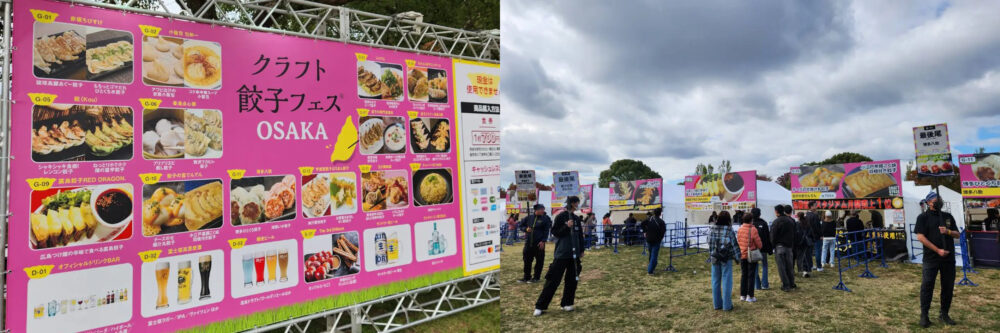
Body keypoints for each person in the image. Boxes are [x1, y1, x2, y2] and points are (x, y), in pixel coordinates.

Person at [534, 196, 585, 316]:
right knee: (552, 280)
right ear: (572, 203)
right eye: (577, 202)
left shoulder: (577, 218)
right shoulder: (561, 216)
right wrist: (566, 226)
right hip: (562, 253)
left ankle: (567, 303)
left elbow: (580, 236)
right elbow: (555, 232)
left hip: (574, 255)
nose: (578, 204)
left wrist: (581, 250)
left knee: (572, 280)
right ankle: (540, 306)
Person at [914, 191, 959, 327]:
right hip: (931, 258)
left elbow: (957, 234)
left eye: (940, 199)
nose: (939, 201)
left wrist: (948, 231)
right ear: (928, 202)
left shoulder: (948, 216)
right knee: (927, 285)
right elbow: (920, 237)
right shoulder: (923, 217)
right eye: (935, 199)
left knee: (948, 286)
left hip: (948, 258)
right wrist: (937, 250)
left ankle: (944, 313)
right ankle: (924, 315)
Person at [708, 211, 739, 311]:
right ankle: (727, 305)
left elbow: (709, 241)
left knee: (715, 281)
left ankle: (717, 305)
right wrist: (737, 258)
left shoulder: (712, 228)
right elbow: (734, 245)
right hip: (726, 258)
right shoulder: (729, 230)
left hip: (715, 257)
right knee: (726, 281)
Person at [518, 205, 552, 283]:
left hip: (539, 244)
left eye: (543, 209)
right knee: (527, 261)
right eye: (541, 209)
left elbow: (546, 231)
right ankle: (526, 277)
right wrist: (526, 229)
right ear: (536, 210)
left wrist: (543, 241)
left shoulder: (545, 219)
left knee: (539, 261)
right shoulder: (529, 218)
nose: (543, 211)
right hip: (528, 243)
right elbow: (521, 225)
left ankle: (536, 277)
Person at [771, 205, 797, 291]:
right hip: (789, 247)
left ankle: (786, 285)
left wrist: (772, 245)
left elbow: (773, 236)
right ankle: (792, 283)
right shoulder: (791, 221)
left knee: (781, 267)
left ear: (776, 212)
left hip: (779, 247)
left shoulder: (776, 222)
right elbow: (795, 233)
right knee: (789, 266)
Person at [737, 214, 762, 303]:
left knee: (744, 274)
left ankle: (742, 295)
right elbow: (758, 243)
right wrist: (759, 246)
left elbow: (738, 241)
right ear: (751, 220)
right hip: (751, 255)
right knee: (751, 275)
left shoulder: (740, 229)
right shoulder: (753, 229)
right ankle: (750, 296)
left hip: (742, 254)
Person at [750, 208, 772, 290]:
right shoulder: (763, 223)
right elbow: (767, 237)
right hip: (763, 248)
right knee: (764, 265)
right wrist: (769, 249)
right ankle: (765, 284)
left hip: (753, 248)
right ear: (760, 214)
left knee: (755, 266)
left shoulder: (750, 224)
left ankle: (757, 285)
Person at [642, 208, 667, 275]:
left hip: (649, 239)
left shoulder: (649, 219)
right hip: (656, 240)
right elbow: (663, 231)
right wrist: (660, 239)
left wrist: (644, 231)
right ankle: (650, 270)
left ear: (653, 213)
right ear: (660, 214)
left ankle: (651, 266)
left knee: (651, 253)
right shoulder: (661, 222)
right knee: (654, 255)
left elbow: (642, 224)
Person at [795, 212, 814, 277]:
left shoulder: (797, 224)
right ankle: (808, 269)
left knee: (802, 257)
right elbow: (811, 233)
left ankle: (804, 270)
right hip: (808, 242)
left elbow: (797, 234)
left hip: (800, 242)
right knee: (808, 256)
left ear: (798, 217)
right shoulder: (807, 223)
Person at [808, 207, 823, 272]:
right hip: (816, 236)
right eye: (814, 205)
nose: (816, 207)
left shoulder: (807, 215)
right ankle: (819, 267)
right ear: (811, 206)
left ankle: (811, 266)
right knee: (818, 251)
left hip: (809, 236)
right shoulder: (815, 216)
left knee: (810, 252)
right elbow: (818, 227)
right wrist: (821, 235)